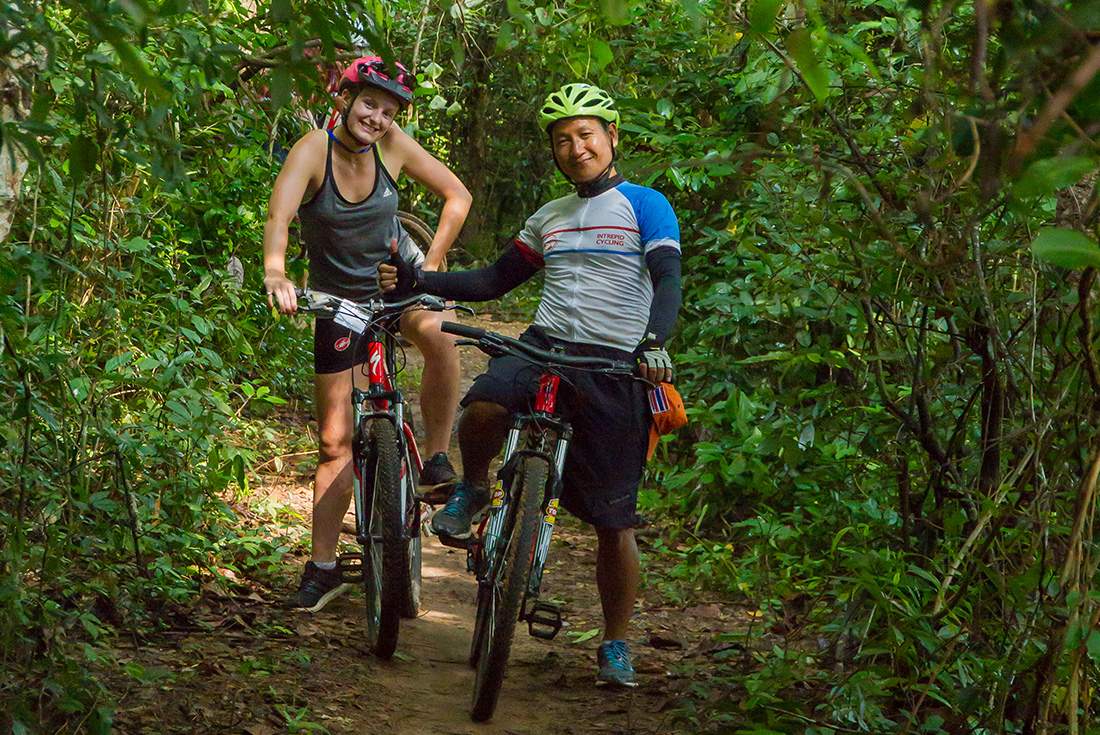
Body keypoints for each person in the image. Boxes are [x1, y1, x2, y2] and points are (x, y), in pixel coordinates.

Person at [379, 82, 682, 687]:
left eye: (586, 134)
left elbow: (667, 278)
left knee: (615, 522)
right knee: (486, 404)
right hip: (543, 345)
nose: (576, 148)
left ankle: (615, 644)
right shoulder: (550, 217)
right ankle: (472, 488)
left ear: (611, 137)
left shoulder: (646, 205)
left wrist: (653, 343)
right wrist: (418, 278)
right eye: (563, 140)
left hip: (614, 363)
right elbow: (496, 279)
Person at [264, 55, 472, 612]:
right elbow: (279, 216)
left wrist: (426, 266)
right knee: (335, 443)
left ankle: (433, 461)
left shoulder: (394, 147)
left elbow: (458, 197)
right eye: (368, 104)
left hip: (397, 283)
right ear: (345, 100)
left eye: (389, 110)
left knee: (439, 334)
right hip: (341, 300)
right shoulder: (313, 151)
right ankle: (324, 566)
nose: (377, 117)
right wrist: (277, 272)